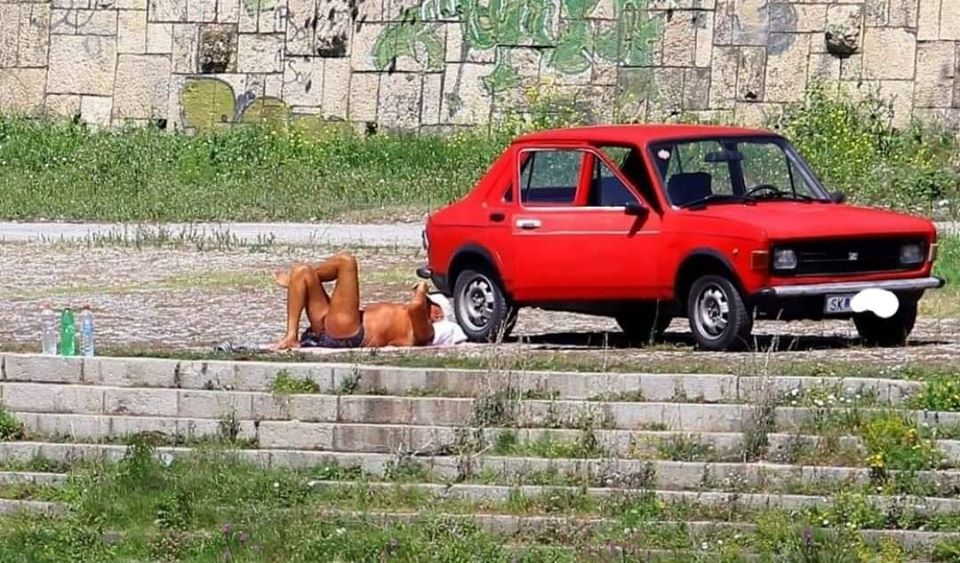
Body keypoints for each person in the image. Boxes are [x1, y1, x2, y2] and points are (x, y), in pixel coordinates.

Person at [272, 252, 462, 351]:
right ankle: (291, 336)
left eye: (430, 304)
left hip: (350, 332)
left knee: (346, 261)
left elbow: (415, 308)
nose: (424, 303)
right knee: (302, 272)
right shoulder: (410, 318)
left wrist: (422, 290)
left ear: (437, 314)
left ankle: (296, 284)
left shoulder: (425, 332)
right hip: (334, 326)